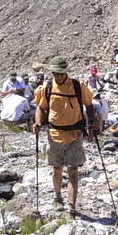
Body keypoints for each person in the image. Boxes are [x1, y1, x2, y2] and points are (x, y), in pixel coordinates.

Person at [33, 56, 98, 217]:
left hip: (74, 134)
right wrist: (38, 123)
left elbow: (89, 105)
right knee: (57, 168)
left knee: (73, 170)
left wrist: (92, 122)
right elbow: (41, 108)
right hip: (54, 134)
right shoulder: (47, 87)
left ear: (66, 72)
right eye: (56, 73)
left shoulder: (77, 85)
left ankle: (72, 207)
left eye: (61, 73)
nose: (59, 76)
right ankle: (57, 197)